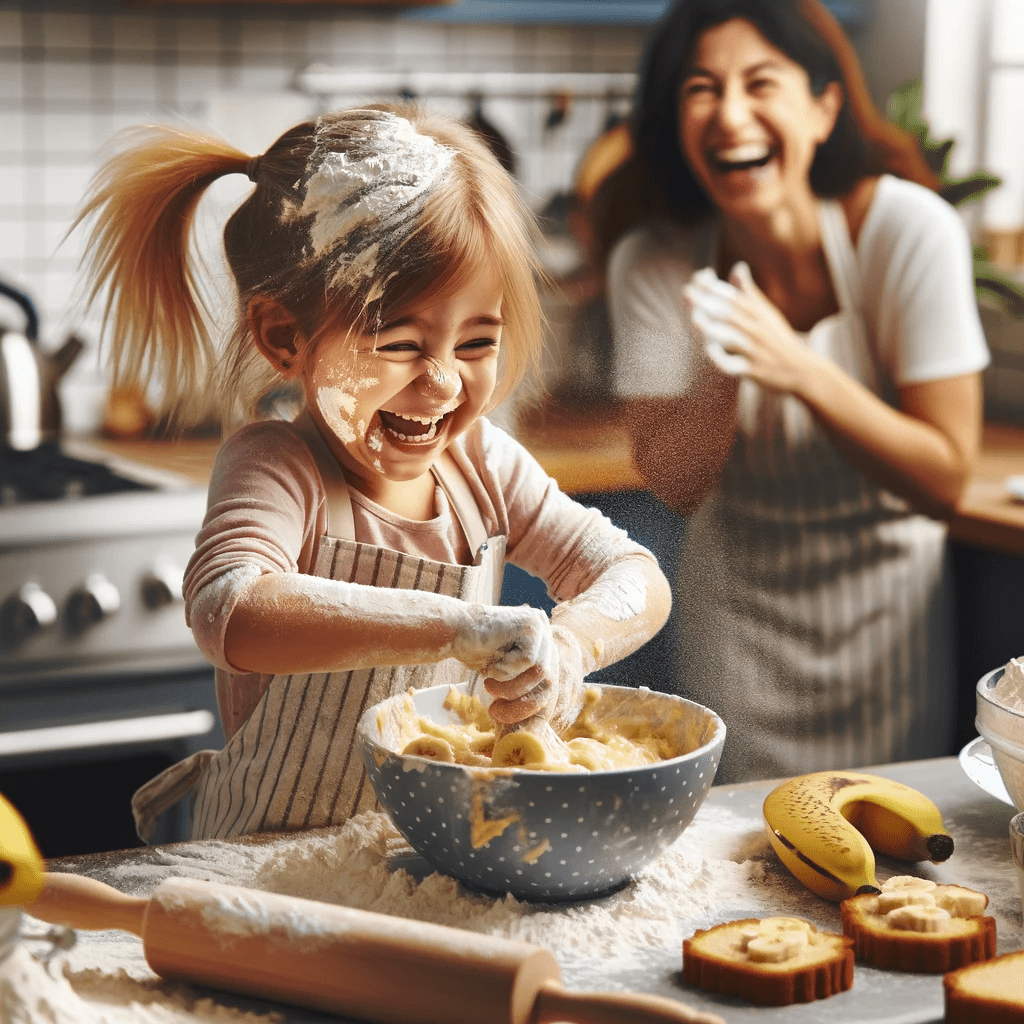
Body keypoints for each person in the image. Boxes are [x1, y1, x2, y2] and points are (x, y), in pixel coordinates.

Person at [72, 104, 672, 840]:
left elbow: (633, 572)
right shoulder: (280, 466)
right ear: (284, 336)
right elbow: (229, 608)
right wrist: (455, 629)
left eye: (477, 343)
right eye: (399, 344)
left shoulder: (481, 466)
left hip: (433, 853)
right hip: (271, 866)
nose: (445, 383)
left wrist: (573, 647)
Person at [601, 0, 989, 783]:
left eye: (760, 82)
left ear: (823, 107)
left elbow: (946, 476)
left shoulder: (908, 233)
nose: (730, 113)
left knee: (887, 856)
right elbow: (675, 484)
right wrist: (724, 366)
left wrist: (800, 367)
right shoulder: (652, 261)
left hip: (888, 629)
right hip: (735, 625)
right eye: (700, 88)